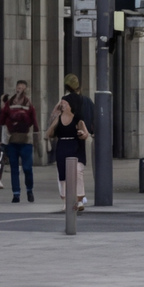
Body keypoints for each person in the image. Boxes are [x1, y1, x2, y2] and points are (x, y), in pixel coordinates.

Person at [52, 74, 93, 212]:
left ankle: (66, 201)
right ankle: (80, 200)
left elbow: (54, 116)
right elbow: (93, 118)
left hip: (65, 141)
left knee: (63, 173)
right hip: (79, 139)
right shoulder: (86, 101)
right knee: (78, 171)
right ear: (79, 87)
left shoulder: (64, 101)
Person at [0, 80, 40, 203]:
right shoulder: (9, 103)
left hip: (26, 141)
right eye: (18, 87)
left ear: (25, 90)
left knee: (27, 168)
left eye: (22, 87)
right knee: (14, 169)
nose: (20, 89)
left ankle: (29, 190)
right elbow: (2, 120)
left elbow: (34, 122)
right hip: (12, 141)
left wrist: (36, 137)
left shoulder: (29, 104)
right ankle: (16, 194)